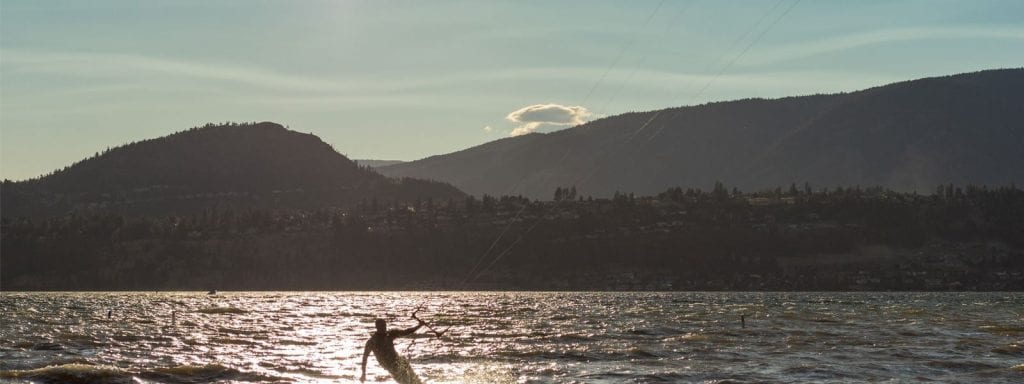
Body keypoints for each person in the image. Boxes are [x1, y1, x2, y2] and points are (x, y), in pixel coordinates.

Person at [360, 318, 425, 384]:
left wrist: (419, 326)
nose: (383, 328)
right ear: (376, 327)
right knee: (404, 381)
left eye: (384, 326)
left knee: (414, 380)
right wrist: (363, 374)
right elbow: (365, 357)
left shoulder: (390, 334)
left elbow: (406, 332)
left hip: (399, 361)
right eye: (381, 326)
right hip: (390, 366)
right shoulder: (372, 341)